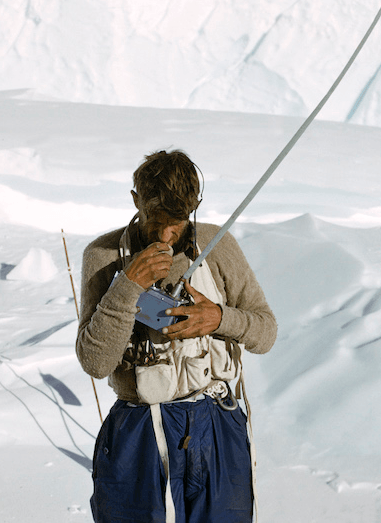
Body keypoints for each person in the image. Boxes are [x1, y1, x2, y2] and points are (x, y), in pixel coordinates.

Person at [76, 149, 277, 523]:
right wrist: (127, 286)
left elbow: (265, 332)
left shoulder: (217, 245)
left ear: (195, 206)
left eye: (178, 222)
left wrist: (219, 319)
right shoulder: (104, 255)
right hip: (140, 430)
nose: (166, 235)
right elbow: (95, 362)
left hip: (217, 424)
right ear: (136, 200)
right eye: (155, 220)